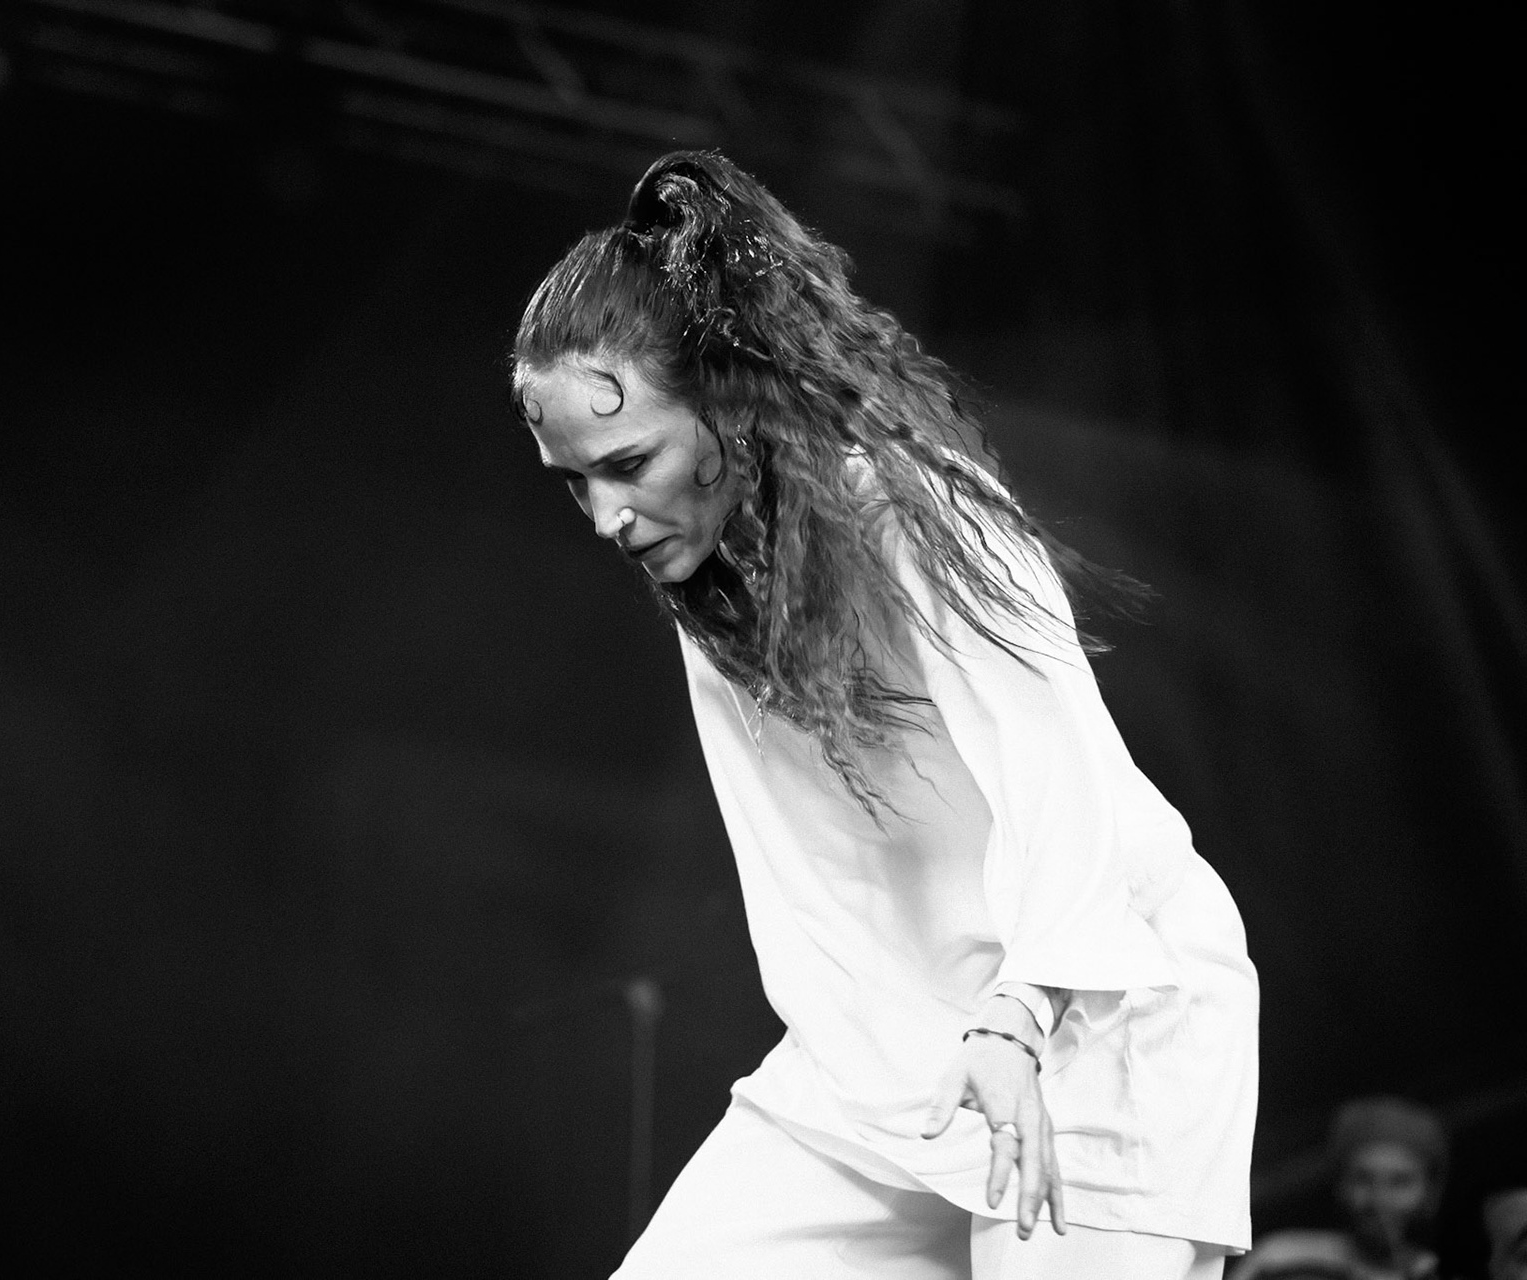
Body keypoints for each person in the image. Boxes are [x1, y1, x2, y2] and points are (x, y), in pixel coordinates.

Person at [512, 150, 1259, 1279]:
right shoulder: (709, 585)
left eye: (629, 460)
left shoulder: (917, 510)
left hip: (1092, 1029)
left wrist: (1019, 1014)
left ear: (728, 399)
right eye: (576, 480)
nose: (609, 515)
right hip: (874, 1074)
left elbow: (1066, 776)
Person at [1232, 1096, 1453, 1280]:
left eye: (1400, 1182)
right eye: (1363, 1179)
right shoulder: (1280, 1259)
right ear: (1340, 1185)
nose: (1380, 1199)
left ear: (1431, 1191)